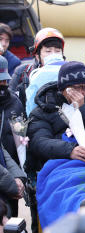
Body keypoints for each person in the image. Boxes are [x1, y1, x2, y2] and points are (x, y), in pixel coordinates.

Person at [27, 61, 85, 167]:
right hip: (62, 165)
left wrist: (83, 108)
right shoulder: (43, 110)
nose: (80, 92)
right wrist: (70, 150)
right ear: (62, 88)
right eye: (76, 87)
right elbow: (39, 143)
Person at [0, 56, 26, 218]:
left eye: (4, 81)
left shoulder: (15, 103)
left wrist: (21, 174)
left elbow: (22, 140)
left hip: (12, 174)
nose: (2, 85)